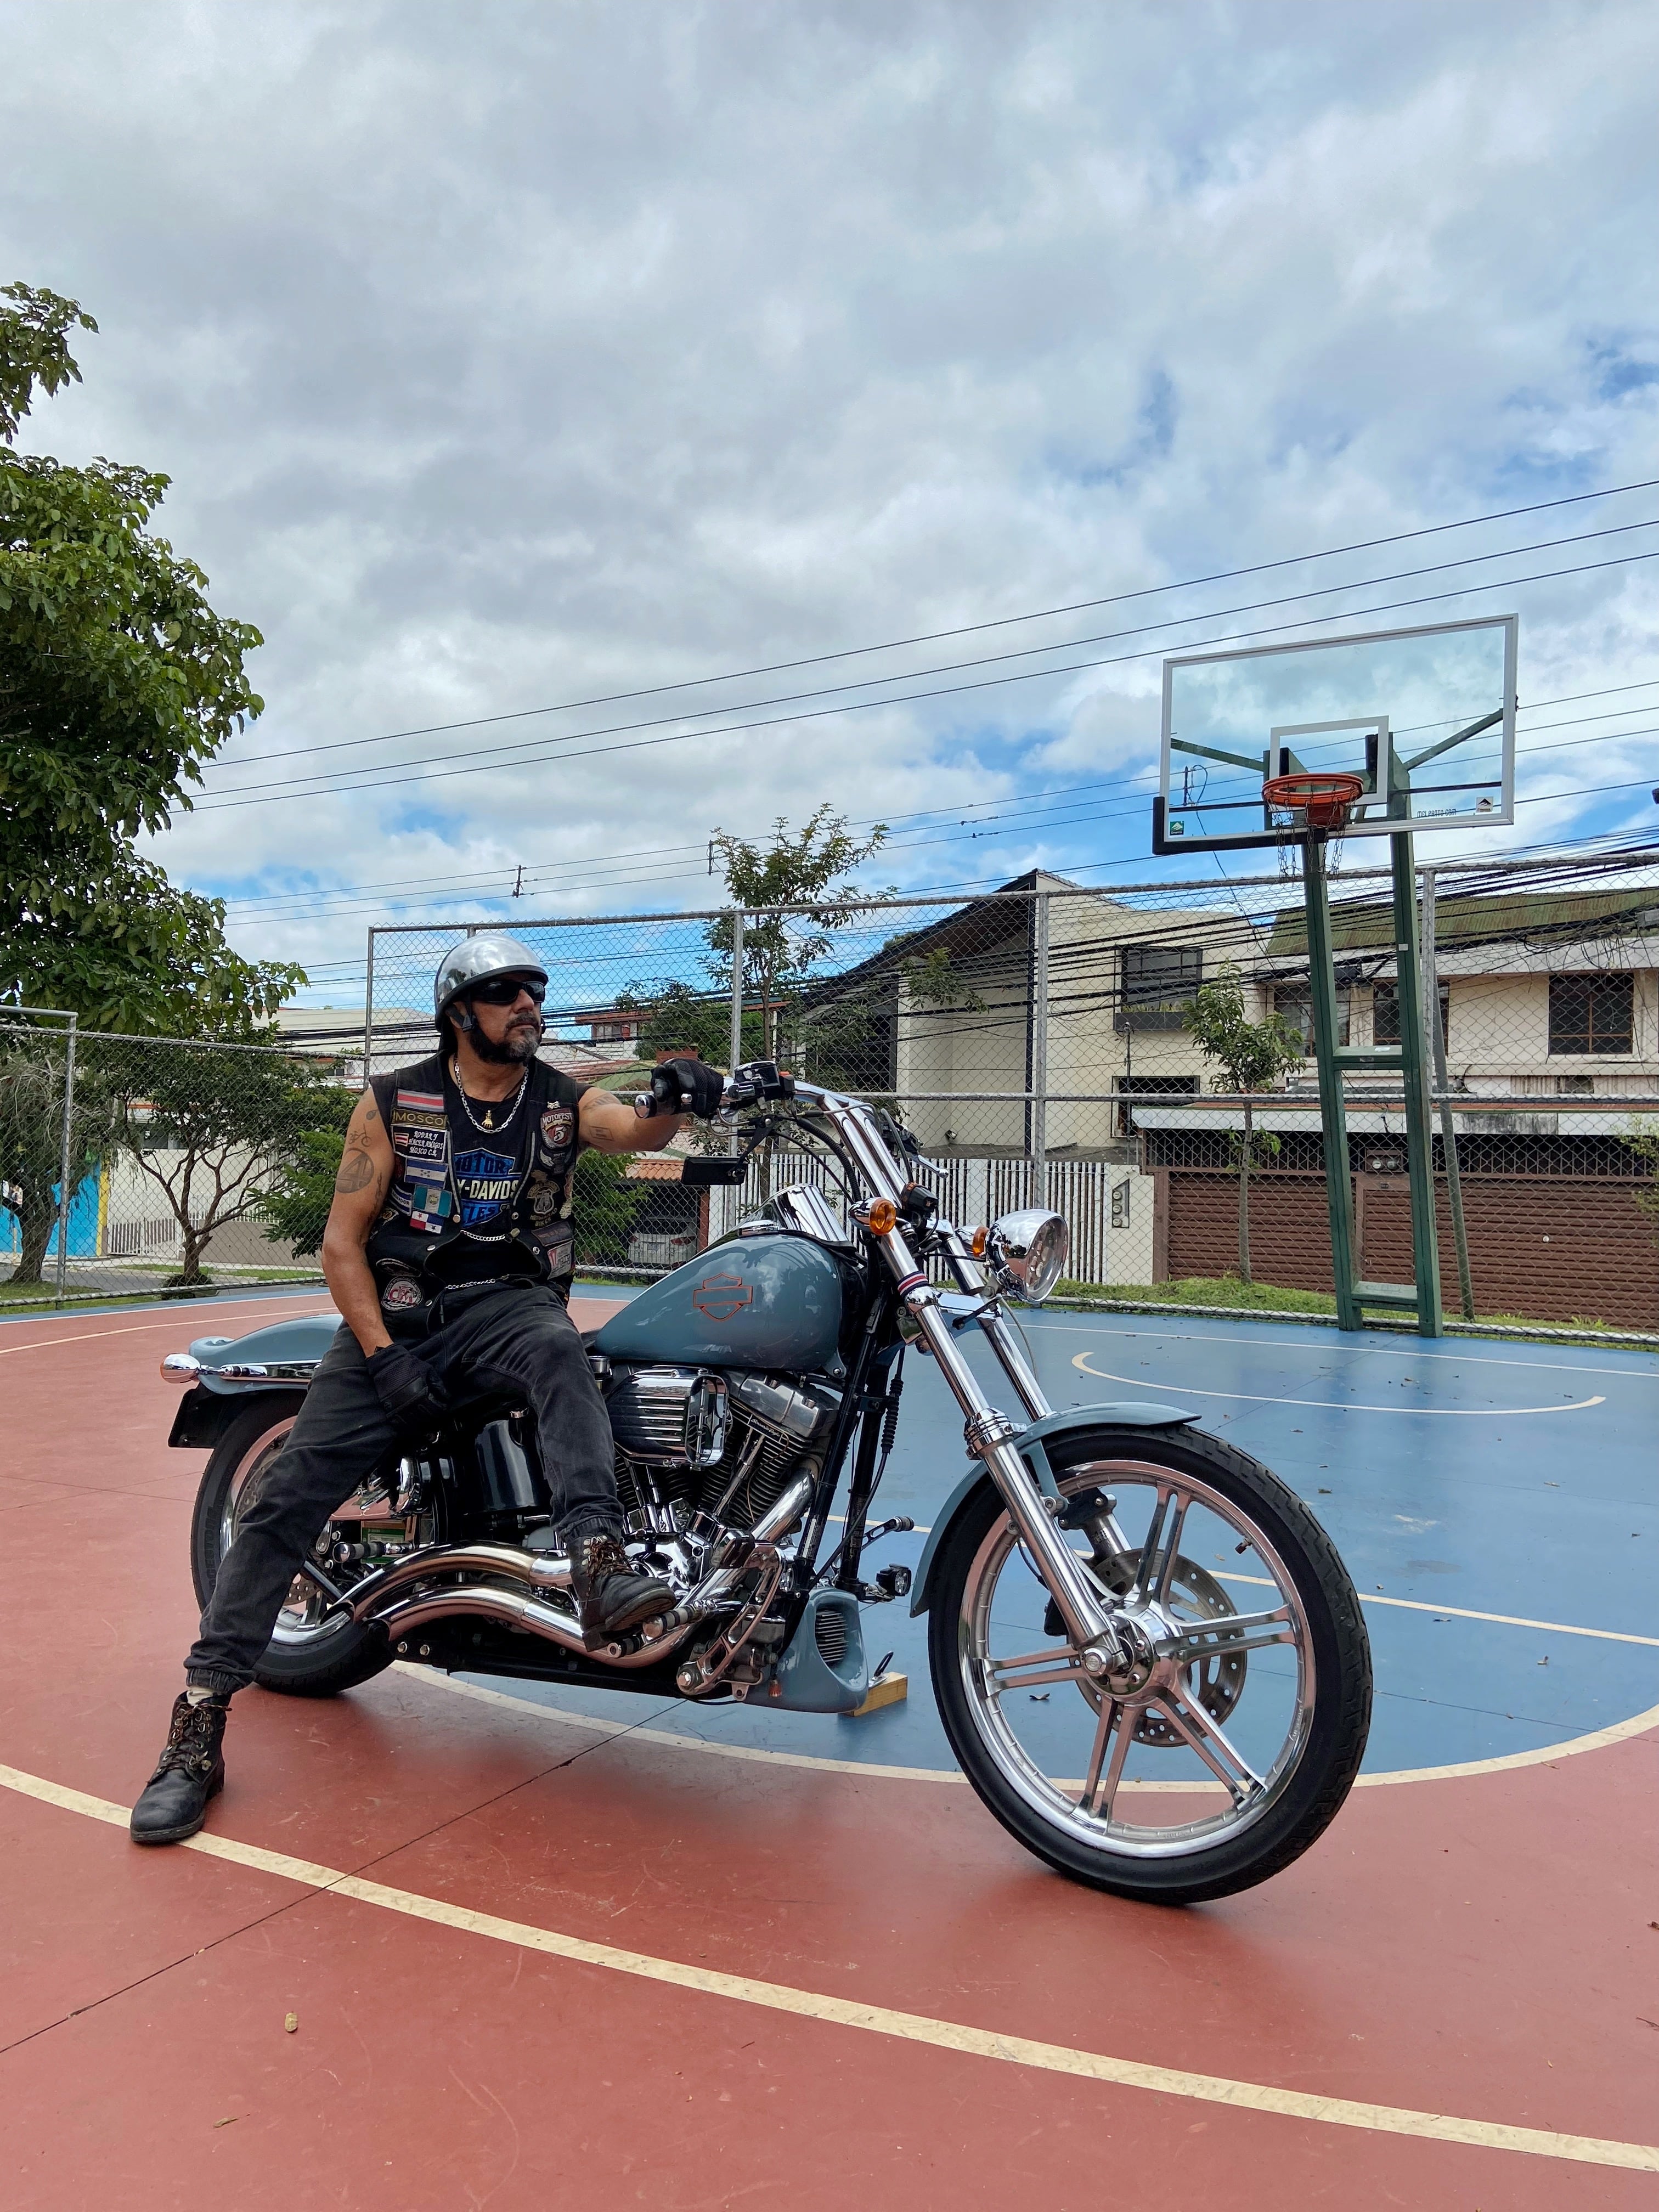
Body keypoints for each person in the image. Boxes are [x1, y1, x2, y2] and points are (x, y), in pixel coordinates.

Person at [131, 933, 725, 1846]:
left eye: (534, 991)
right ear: (459, 1014)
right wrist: (382, 1358)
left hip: (509, 1309)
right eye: (507, 993)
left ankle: (599, 1566)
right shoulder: (391, 1102)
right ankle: (198, 1726)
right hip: (398, 1321)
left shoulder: (561, 1099)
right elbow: (342, 1244)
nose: (529, 1006)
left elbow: (630, 1127)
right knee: (284, 1503)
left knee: (563, 1355)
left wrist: (675, 1100)